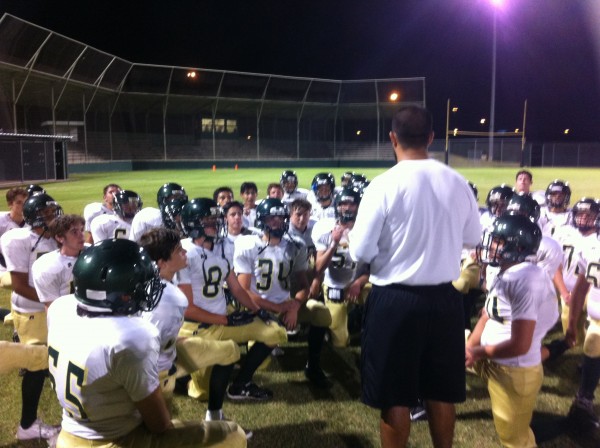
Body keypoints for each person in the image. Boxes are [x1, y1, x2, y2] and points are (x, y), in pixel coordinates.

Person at [349, 105, 481, 448]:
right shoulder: (457, 182)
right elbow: (473, 239)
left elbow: (360, 252)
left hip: (394, 301)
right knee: (441, 392)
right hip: (445, 299)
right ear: (432, 138)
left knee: (395, 396)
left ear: (392, 138)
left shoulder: (383, 185)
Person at [47, 238, 246, 447]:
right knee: (233, 434)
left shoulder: (61, 307)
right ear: (120, 295)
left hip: (68, 433)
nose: (148, 288)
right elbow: (159, 424)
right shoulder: (133, 336)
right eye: (140, 284)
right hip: (114, 439)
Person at [177, 199, 287, 402]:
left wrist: (258, 311)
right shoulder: (183, 253)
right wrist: (226, 321)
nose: (214, 224)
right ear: (192, 223)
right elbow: (187, 309)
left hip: (222, 319)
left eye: (215, 219)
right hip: (198, 328)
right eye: (207, 220)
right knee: (203, 393)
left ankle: (241, 383)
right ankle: (183, 375)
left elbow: (235, 287)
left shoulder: (220, 247)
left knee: (275, 331)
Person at [467, 213, 557, 447]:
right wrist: (469, 346)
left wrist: (476, 353)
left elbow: (520, 344)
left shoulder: (526, 279)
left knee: (513, 439)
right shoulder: (509, 271)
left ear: (516, 247)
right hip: (494, 359)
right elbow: (488, 315)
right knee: (441, 340)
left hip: (513, 370)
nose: (491, 246)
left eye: (498, 241)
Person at [139, 228, 242, 421]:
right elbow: (148, 345)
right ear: (162, 262)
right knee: (160, 427)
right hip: (156, 369)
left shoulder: (153, 285)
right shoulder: (168, 298)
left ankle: (214, 414)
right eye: (178, 251)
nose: (185, 252)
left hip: (163, 349)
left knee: (230, 350)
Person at [234, 198, 333, 390]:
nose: (277, 222)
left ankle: (313, 367)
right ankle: (242, 380)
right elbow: (244, 291)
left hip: (286, 304)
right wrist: (278, 308)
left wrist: (294, 306)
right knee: (269, 347)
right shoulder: (248, 244)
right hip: (257, 308)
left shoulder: (294, 246)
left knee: (320, 312)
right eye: (272, 218)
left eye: (280, 218)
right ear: (261, 220)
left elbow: (303, 285)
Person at [0, 193, 63, 443]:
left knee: (50, 362)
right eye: (47, 213)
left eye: (53, 211)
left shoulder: (51, 238)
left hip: (46, 310)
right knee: (37, 366)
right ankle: (27, 424)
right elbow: (18, 285)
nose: (53, 216)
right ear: (34, 215)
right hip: (32, 312)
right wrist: (54, 301)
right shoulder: (20, 239)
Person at [313, 186, 370, 348]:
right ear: (337, 206)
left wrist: (358, 283)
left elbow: (375, 267)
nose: (347, 207)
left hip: (360, 283)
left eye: (352, 204)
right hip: (335, 287)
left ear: (359, 206)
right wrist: (334, 243)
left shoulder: (367, 229)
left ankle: (365, 324)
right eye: (343, 204)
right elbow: (318, 268)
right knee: (340, 343)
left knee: (384, 299)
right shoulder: (324, 228)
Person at [564, 199, 600, 432]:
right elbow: (579, 291)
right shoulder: (591, 249)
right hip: (597, 320)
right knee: (592, 348)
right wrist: (571, 325)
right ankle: (584, 400)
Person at [32, 214, 86, 310]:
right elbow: (51, 307)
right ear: (60, 238)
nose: (81, 235)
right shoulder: (48, 266)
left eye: (82, 230)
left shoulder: (92, 253)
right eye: (74, 232)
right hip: (67, 315)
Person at [0, 187, 28, 289]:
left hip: (24, 265)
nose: (23, 206)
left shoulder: (31, 223)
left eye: (25, 203)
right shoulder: (2, 222)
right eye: (19, 202)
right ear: (10, 204)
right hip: (3, 267)